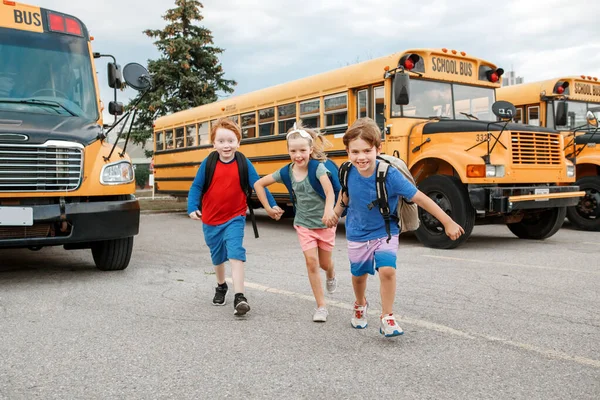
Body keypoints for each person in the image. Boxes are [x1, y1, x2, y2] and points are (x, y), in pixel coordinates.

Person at [325, 118, 464, 337]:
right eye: (355, 152)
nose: (361, 157)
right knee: (359, 275)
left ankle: (387, 316)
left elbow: (420, 198)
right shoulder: (346, 171)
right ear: (348, 152)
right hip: (357, 232)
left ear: (378, 149)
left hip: (385, 231)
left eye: (367, 151)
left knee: (387, 271)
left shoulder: (388, 175)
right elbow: (345, 194)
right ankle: (360, 304)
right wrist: (335, 213)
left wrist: (447, 221)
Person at [187, 118, 283, 316]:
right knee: (217, 256)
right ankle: (221, 286)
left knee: (235, 252)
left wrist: (272, 204)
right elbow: (196, 186)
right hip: (211, 219)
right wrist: (192, 206)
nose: (226, 145)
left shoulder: (243, 162)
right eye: (221, 141)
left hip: (235, 216)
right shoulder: (209, 163)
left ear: (238, 142)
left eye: (231, 140)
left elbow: (258, 184)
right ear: (214, 143)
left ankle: (240, 296)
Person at [254, 123, 338, 322]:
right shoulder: (286, 172)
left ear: (310, 149)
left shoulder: (318, 169)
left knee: (325, 264)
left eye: (302, 150)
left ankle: (331, 273)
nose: (298, 155)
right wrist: (268, 207)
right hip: (303, 224)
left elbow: (329, 191)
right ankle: (321, 307)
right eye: (293, 151)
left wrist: (328, 211)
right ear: (288, 151)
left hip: (325, 224)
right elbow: (259, 184)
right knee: (311, 262)